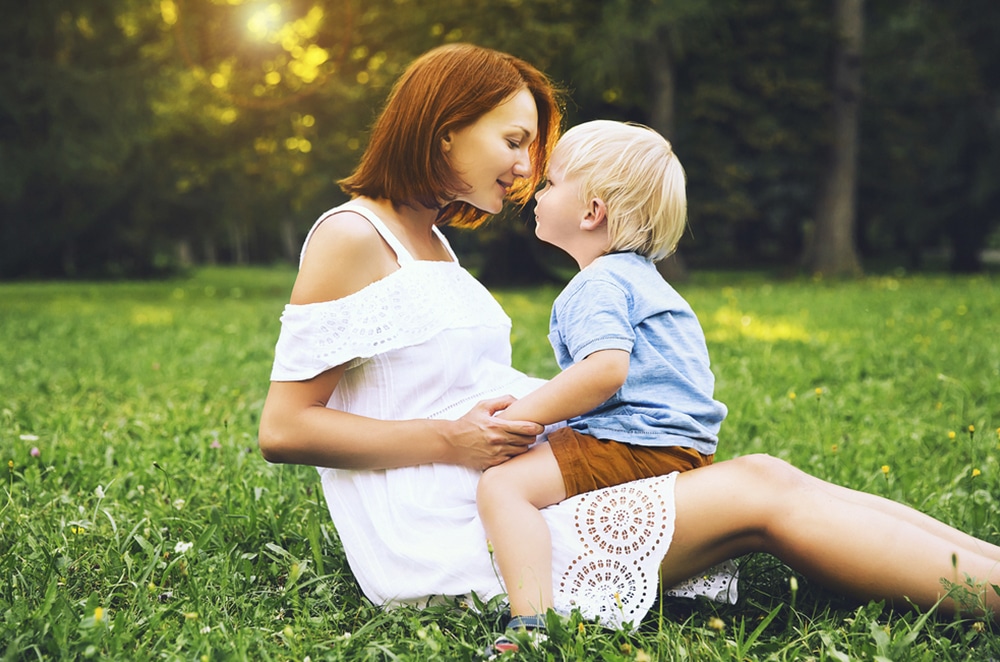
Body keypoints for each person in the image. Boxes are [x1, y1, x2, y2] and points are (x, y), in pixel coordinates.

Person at [259, 42, 1000, 649]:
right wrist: (453, 441)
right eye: (514, 141)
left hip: (509, 486)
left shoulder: (435, 244)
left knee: (769, 472)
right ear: (446, 126)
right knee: (759, 495)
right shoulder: (352, 235)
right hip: (454, 527)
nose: (523, 168)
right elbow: (285, 429)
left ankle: (991, 570)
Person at [476, 120, 727, 650]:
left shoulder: (598, 283)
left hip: (638, 439)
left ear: (592, 212)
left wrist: (524, 414)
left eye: (550, 183)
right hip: (681, 444)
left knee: (504, 487)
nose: (537, 192)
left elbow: (605, 371)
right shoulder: (641, 277)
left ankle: (530, 623)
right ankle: (698, 581)